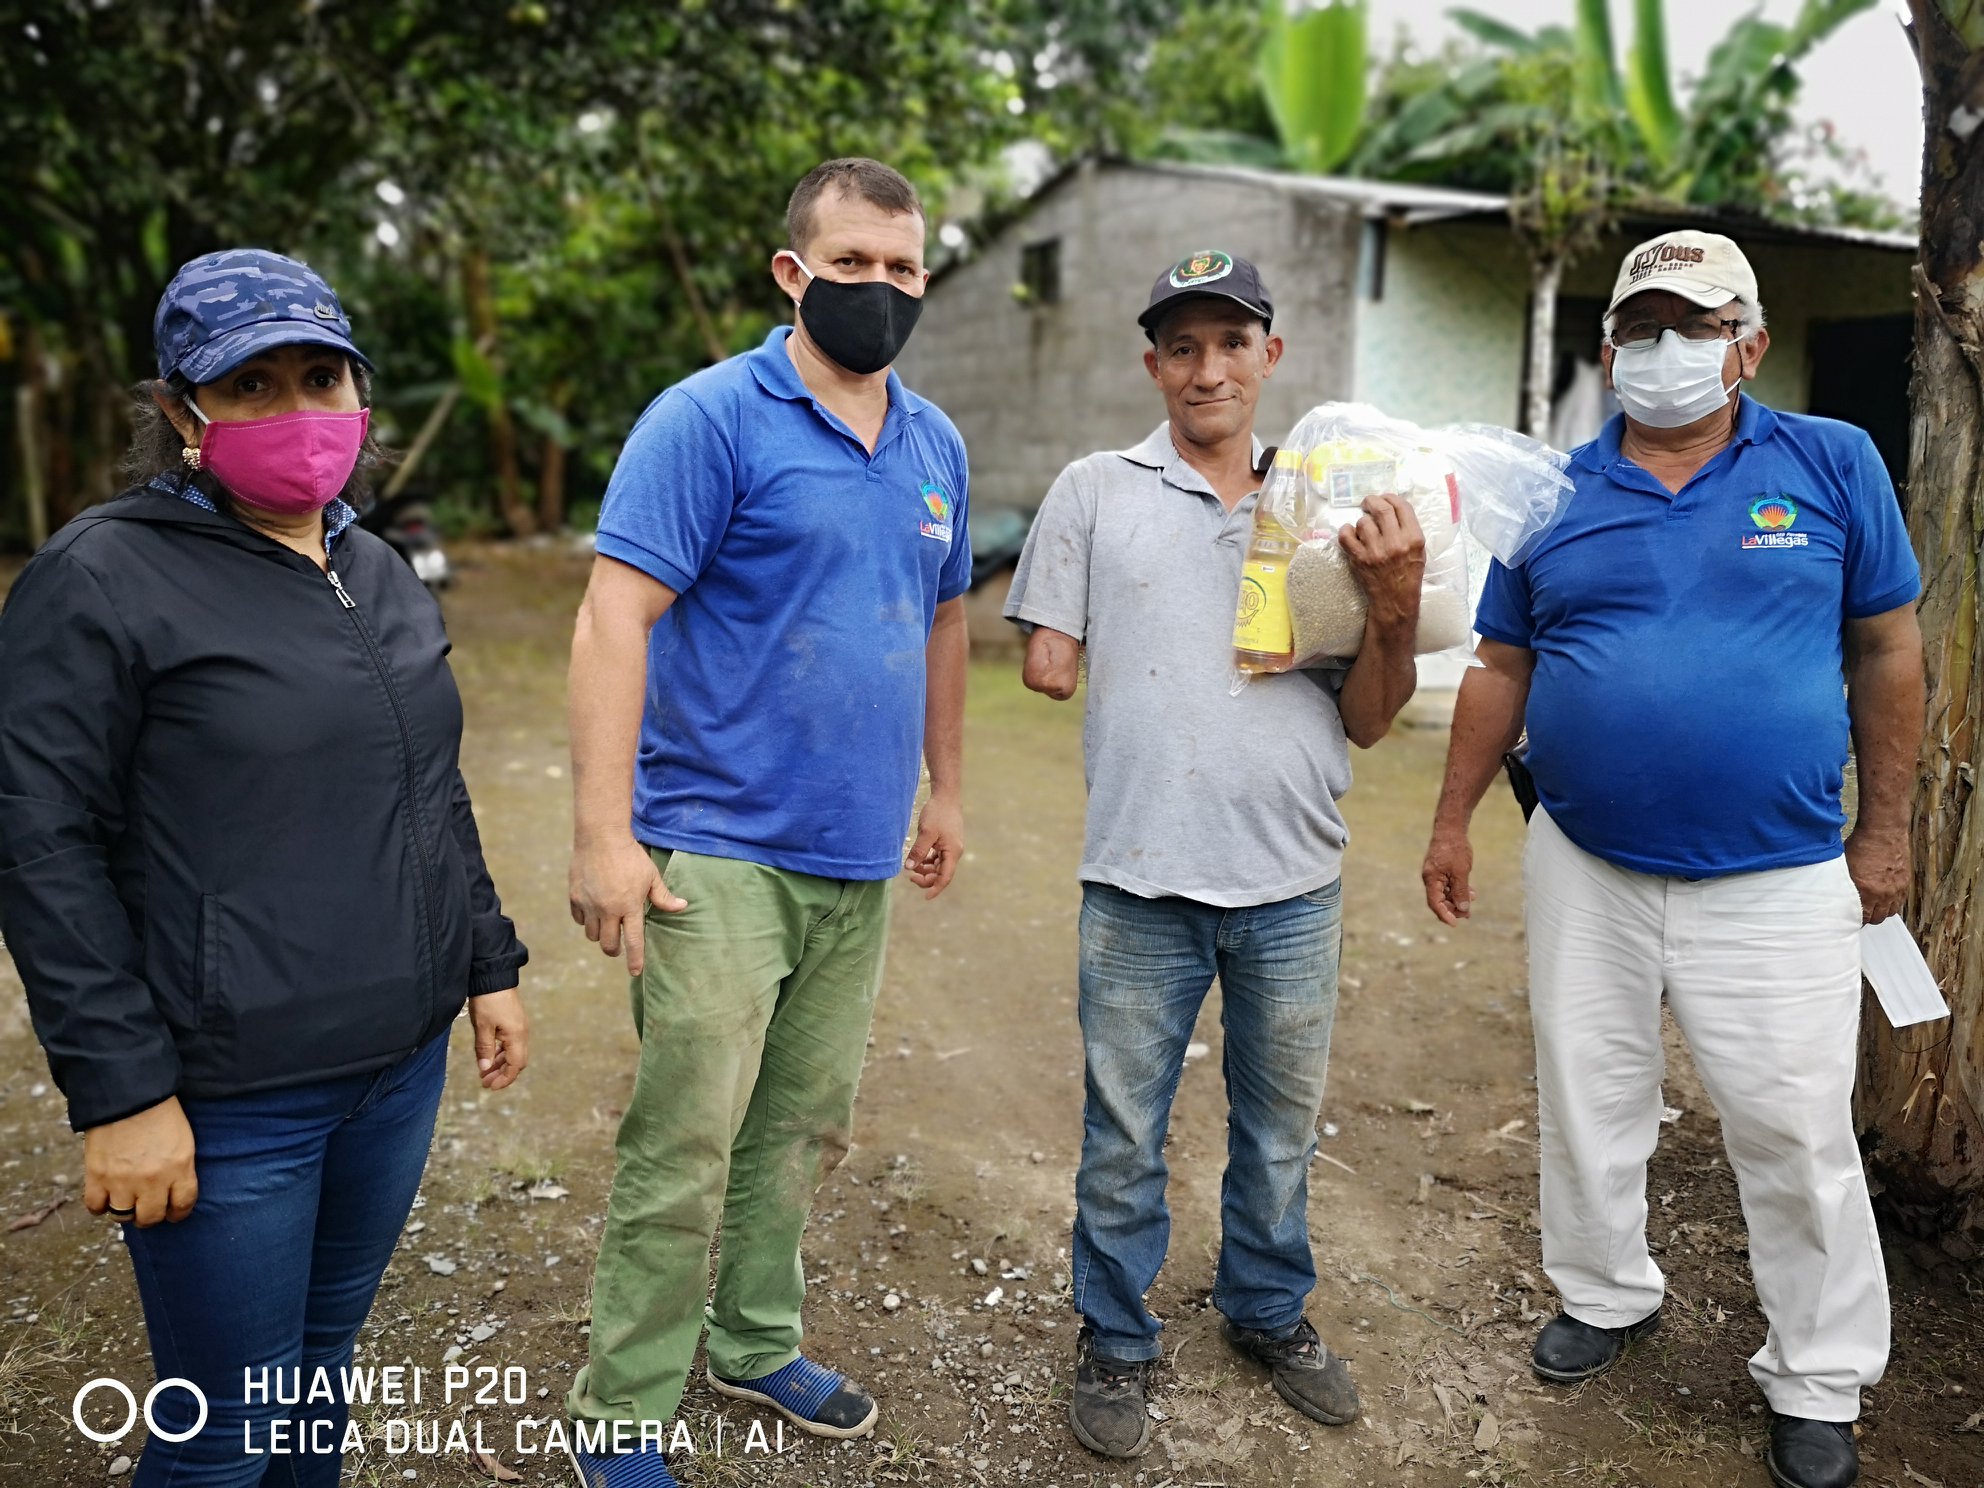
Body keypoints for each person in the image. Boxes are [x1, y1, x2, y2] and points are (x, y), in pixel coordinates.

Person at [0, 248, 530, 1487]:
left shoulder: (378, 570)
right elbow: (39, 840)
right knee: (225, 1429)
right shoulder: (99, 577)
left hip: (395, 1072)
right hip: (234, 1100)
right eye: (251, 385)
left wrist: (485, 960)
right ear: (182, 412)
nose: (297, 410)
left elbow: (429, 784)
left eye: (320, 377)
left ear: (360, 394)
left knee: (319, 1371)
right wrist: (122, 1093)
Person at [1420, 230, 1922, 1488]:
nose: (1663, 351)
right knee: (1588, 1090)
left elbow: (1886, 648)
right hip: (1584, 858)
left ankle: (1816, 1373)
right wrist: (1449, 818)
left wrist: (1886, 830)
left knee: (1792, 1125)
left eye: (1692, 326)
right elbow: (1500, 663)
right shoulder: (1552, 492)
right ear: (1607, 351)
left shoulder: (1831, 461)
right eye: (1640, 329)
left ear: (1748, 344)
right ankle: (1603, 1291)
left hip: (1779, 870)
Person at [562, 157, 970, 1487]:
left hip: (857, 857)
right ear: (793, 274)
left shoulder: (934, 444)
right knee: (686, 1141)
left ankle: (751, 1340)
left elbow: (943, 620)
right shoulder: (708, 419)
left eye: (900, 267)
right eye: (851, 264)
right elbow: (614, 616)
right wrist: (603, 834)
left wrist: (948, 787)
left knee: (800, 1129)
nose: (878, 288)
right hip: (718, 852)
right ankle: (618, 1412)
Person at [1005, 251, 1426, 1459]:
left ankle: (1266, 1310)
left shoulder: (1327, 509)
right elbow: (1046, 661)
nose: (1207, 371)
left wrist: (1392, 604)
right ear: (1154, 365)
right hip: (1136, 878)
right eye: (1182, 348)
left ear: (1269, 357)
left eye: (1232, 344)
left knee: (1279, 1129)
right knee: (1122, 1134)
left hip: (1291, 884)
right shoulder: (1095, 489)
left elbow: (1369, 718)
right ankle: (1115, 1337)